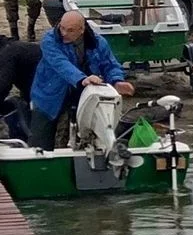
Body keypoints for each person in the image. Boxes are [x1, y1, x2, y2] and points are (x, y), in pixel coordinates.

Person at [28, 11, 135, 150]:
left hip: (82, 95)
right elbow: (61, 64)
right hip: (48, 95)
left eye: (70, 30)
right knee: (39, 141)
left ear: (82, 29)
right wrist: (82, 79)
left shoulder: (98, 42)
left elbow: (110, 64)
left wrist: (117, 81)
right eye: (62, 28)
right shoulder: (49, 40)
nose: (64, 33)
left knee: (86, 139)